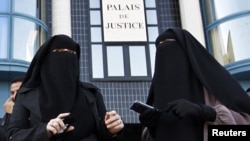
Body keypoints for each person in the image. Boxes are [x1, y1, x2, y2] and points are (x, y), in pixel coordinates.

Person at [139, 28, 250, 141]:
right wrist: (152, 128)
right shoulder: (157, 97)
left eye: (171, 46)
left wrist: (205, 112)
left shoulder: (213, 89)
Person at [7, 35, 125, 141]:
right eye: (58, 52)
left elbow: (102, 133)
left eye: (71, 53)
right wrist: (45, 131)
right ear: (46, 59)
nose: (65, 58)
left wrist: (112, 129)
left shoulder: (92, 94)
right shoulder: (27, 96)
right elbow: (13, 135)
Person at [0, 76, 24, 140]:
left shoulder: (35, 116)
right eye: (12, 93)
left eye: (18, 92)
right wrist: (9, 114)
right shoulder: (3, 120)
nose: (14, 96)